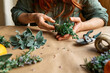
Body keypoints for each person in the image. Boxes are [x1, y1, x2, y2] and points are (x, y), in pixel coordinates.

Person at [11, 0, 108, 40]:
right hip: (38, 41)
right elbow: (17, 13)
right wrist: (33, 17)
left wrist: (81, 26)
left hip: (71, 43)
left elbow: (101, 16)